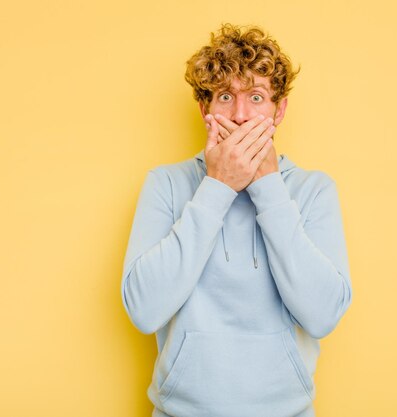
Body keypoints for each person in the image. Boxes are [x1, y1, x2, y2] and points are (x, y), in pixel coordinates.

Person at [121, 23, 353, 417]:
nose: (241, 116)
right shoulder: (166, 184)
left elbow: (323, 315)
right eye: (225, 96)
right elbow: (143, 311)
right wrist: (218, 187)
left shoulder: (314, 190)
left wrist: (268, 186)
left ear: (279, 110)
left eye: (257, 97)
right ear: (204, 108)